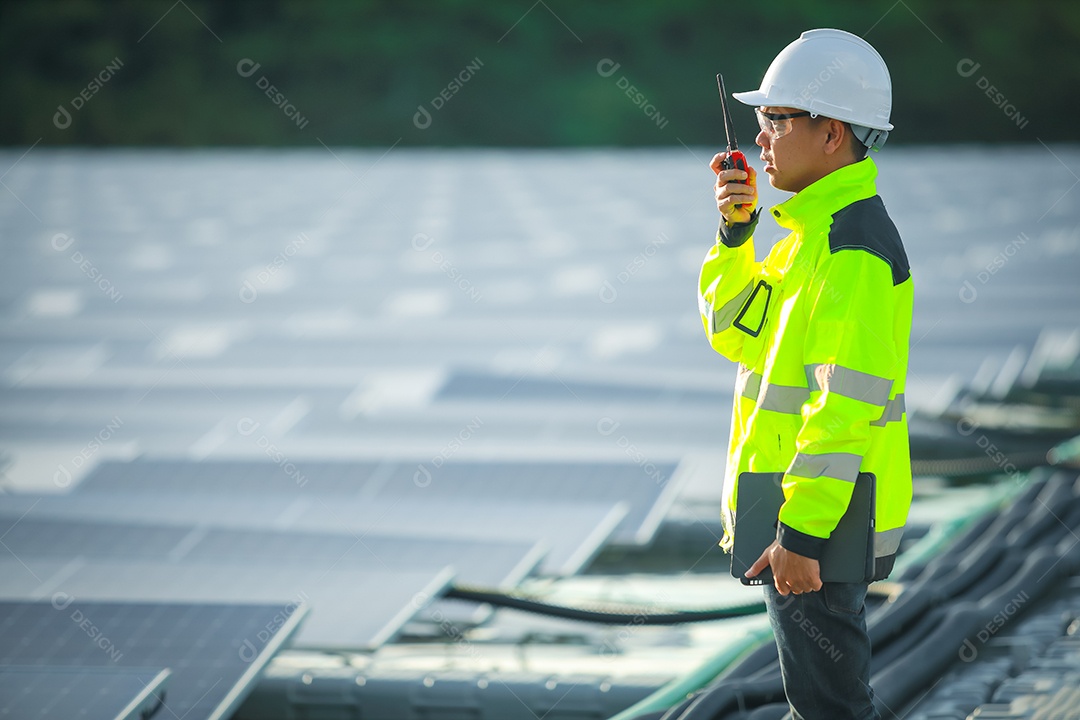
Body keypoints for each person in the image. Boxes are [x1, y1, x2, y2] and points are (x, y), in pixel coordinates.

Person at [698, 29, 913, 720]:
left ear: (832, 135)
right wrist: (737, 234)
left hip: (817, 522)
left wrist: (803, 534)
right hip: (795, 509)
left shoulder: (852, 249)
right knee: (821, 703)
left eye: (777, 120)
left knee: (829, 710)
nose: (761, 138)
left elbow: (844, 403)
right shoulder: (811, 237)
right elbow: (736, 333)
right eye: (761, 121)